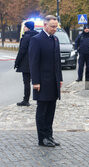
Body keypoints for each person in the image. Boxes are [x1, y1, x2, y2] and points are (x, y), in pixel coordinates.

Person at [29, 15, 63, 147]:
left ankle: (49, 135)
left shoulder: (55, 39)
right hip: (42, 82)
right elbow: (33, 63)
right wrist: (35, 81)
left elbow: (57, 62)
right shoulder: (36, 40)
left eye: (56, 27)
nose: (55, 29)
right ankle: (42, 138)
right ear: (45, 25)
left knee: (51, 110)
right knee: (42, 111)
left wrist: (59, 78)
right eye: (52, 26)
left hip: (53, 82)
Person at [14, 21, 38, 106]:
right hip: (36, 62)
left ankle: (26, 100)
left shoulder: (26, 37)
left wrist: (17, 62)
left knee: (27, 82)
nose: (24, 28)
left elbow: (22, 51)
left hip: (26, 63)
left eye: (25, 27)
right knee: (37, 81)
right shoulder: (37, 36)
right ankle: (39, 99)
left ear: (27, 27)